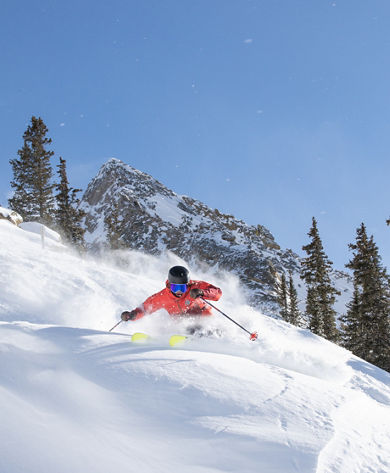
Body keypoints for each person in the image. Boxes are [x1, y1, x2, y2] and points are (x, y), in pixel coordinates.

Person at [121, 265, 222, 322]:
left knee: (206, 313)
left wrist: (202, 292)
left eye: (182, 287)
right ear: (169, 285)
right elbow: (145, 308)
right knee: (176, 322)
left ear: (188, 284)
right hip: (181, 322)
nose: (179, 291)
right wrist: (133, 314)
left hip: (202, 316)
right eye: (175, 287)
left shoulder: (195, 286)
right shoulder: (162, 297)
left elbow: (217, 293)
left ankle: (214, 333)